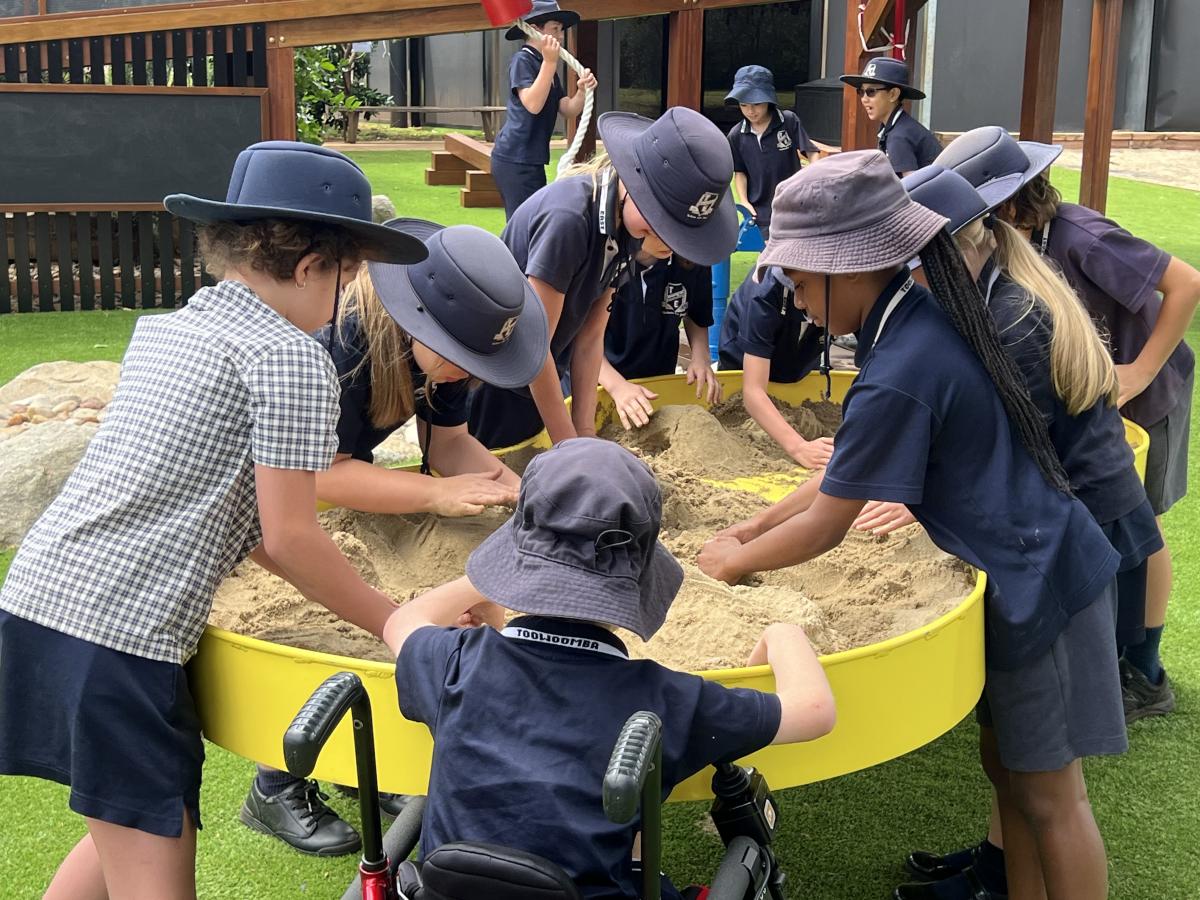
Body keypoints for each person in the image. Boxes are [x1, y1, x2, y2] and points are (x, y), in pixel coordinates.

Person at [0, 141, 428, 898]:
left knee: (130, 828)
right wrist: (392, 622)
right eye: (349, 271)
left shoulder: (173, 329)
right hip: (120, 638)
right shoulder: (291, 359)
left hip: (38, 606)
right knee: (155, 858)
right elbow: (290, 534)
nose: (351, 290)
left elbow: (228, 506)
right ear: (309, 269)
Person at [697, 151, 1127, 900]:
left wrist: (730, 565)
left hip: (1044, 586)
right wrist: (748, 528)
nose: (794, 301)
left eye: (798, 281)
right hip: (1021, 579)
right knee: (1012, 780)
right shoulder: (910, 318)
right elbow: (846, 471)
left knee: (1055, 802)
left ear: (847, 265)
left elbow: (830, 524)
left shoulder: (904, 361)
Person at [381, 437, 837, 899]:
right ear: (639, 576)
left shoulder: (457, 662)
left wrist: (490, 582)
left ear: (516, 561)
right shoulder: (664, 702)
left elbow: (402, 623)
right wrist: (784, 633)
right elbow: (814, 710)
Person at [885, 164, 1162, 900]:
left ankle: (1008, 874)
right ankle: (1000, 874)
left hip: (1066, 538)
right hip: (1051, 530)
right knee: (1014, 758)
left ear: (948, 253)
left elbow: (995, 455)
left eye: (912, 263)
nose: (906, 282)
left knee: (1050, 785)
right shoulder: (999, 289)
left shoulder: (1007, 320)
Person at [239, 219, 550, 856]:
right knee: (359, 617)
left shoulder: (438, 357)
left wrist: (508, 483)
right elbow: (319, 477)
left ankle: (361, 762)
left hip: (320, 489)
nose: (471, 374)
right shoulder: (338, 348)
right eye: (464, 359)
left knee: (410, 619)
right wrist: (436, 494)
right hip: (265, 507)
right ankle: (275, 781)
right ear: (422, 327)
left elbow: (450, 445)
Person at [935, 125, 1200, 721]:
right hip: (1087, 398)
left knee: (1143, 523)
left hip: (1146, 395)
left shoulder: (1082, 236)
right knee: (1107, 525)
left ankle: (1146, 671)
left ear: (1003, 207)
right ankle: (1110, 651)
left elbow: (1186, 283)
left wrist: (1139, 370)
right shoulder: (1012, 256)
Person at [468, 106, 739, 450]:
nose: (670, 244)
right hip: (496, 380)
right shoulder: (568, 221)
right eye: (663, 225)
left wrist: (586, 433)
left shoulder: (623, 230)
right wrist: (571, 446)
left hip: (541, 380)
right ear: (637, 186)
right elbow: (533, 348)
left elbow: (590, 336)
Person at [491, 0, 597, 219]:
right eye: (555, 29)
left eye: (561, 30)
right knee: (523, 221)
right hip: (514, 159)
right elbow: (533, 104)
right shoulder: (524, 60)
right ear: (536, 29)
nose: (560, 36)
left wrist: (581, 92)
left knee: (536, 218)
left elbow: (567, 110)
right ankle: (514, 254)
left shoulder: (545, 65)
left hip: (533, 159)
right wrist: (549, 63)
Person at [717, 265, 831, 467]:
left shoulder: (850, 290)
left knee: (796, 380)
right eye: (798, 288)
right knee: (736, 402)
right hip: (744, 361)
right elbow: (752, 390)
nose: (799, 300)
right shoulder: (763, 294)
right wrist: (799, 447)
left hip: (800, 357)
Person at [600, 250, 720, 430]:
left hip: (658, 376)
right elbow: (581, 341)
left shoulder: (694, 255)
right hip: (599, 379)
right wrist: (616, 386)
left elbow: (696, 313)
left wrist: (700, 357)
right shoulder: (607, 260)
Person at [725, 64, 818, 240]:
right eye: (744, 105)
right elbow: (740, 172)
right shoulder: (736, 135)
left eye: (757, 104)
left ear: (769, 99)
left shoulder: (789, 121)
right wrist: (744, 202)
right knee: (767, 255)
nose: (750, 111)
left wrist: (813, 180)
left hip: (794, 204)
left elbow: (812, 152)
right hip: (759, 211)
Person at [840, 57, 940, 175]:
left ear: (893, 94)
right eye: (861, 92)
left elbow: (911, 186)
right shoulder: (896, 127)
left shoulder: (899, 136)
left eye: (871, 92)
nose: (864, 99)